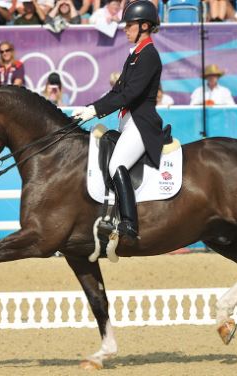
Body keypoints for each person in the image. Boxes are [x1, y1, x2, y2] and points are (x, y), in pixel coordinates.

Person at [72, 0, 161, 240]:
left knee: (116, 164)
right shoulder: (134, 55)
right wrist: (90, 108)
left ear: (144, 26)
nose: (125, 29)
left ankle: (130, 223)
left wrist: (96, 111)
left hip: (142, 124)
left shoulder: (149, 55)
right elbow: (116, 93)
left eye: (130, 25)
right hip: (128, 122)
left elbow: (129, 95)